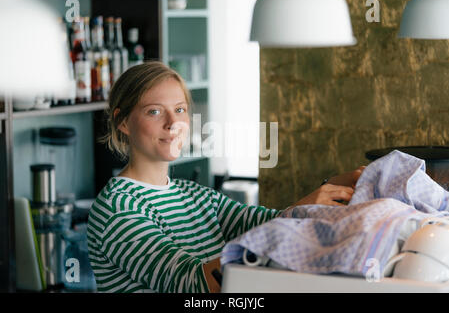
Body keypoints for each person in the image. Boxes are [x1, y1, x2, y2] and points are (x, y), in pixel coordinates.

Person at [87, 61, 364, 293]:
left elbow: (261, 223)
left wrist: (332, 187)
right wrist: (302, 214)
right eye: (155, 111)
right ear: (122, 121)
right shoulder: (117, 208)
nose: (173, 124)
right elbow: (193, 283)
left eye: (180, 109)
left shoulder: (193, 194)